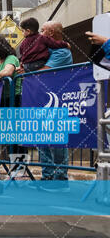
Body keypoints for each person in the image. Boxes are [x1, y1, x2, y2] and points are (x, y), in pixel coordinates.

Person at [37, 21, 72, 188]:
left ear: (50, 33)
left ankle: (60, 178)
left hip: (57, 101)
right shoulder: (44, 49)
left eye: (42, 30)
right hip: (42, 100)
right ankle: (47, 176)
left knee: (57, 139)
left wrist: (30, 69)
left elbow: (43, 71)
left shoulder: (62, 52)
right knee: (41, 138)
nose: (39, 33)